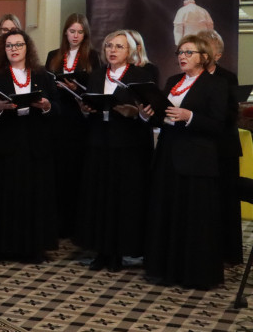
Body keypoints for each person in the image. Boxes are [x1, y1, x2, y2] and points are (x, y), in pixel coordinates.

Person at [141, 34, 229, 289]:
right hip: (169, 155)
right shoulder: (172, 81)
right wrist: (147, 115)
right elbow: (163, 117)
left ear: (204, 57)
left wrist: (190, 116)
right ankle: (167, 269)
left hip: (197, 161)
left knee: (193, 218)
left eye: (188, 52)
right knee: (168, 214)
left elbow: (218, 125)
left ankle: (194, 273)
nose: (182, 56)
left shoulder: (216, 85)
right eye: (180, 52)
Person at [0, 29, 59, 262]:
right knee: (6, 197)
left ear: (27, 47)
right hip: (6, 144)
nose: (14, 49)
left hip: (34, 145)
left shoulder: (43, 75)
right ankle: (3, 247)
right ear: (3, 49)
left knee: (33, 197)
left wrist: (47, 106)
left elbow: (58, 108)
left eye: (18, 44)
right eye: (9, 45)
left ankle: (33, 248)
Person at [75, 30, 154, 272]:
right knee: (99, 197)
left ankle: (119, 252)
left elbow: (151, 112)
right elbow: (90, 104)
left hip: (127, 145)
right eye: (109, 45)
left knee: (123, 199)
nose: (112, 50)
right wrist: (86, 110)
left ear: (129, 52)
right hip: (99, 143)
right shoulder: (97, 75)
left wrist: (137, 113)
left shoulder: (140, 76)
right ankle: (100, 251)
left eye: (119, 46)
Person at [44, 14, 101, 238]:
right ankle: (56, 222)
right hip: (58, 118)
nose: (75, 36)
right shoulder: (54, 55)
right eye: (71, 31)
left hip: (79, 120)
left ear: (85, 34)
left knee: (75, 170)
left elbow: (95, 89)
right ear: (65, 33)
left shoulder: (92, 57)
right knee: (57, 171)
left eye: (79, 32)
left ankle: (73, 223)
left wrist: (76, 89)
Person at [199, 29, 243, 264]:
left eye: (206, 50)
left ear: (218, 55)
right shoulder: (190, 76)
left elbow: (230, 113)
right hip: (200, 147)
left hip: (222, 147)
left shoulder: (227, 78)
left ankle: (228, 251)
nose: (202, 55)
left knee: (225, 198)